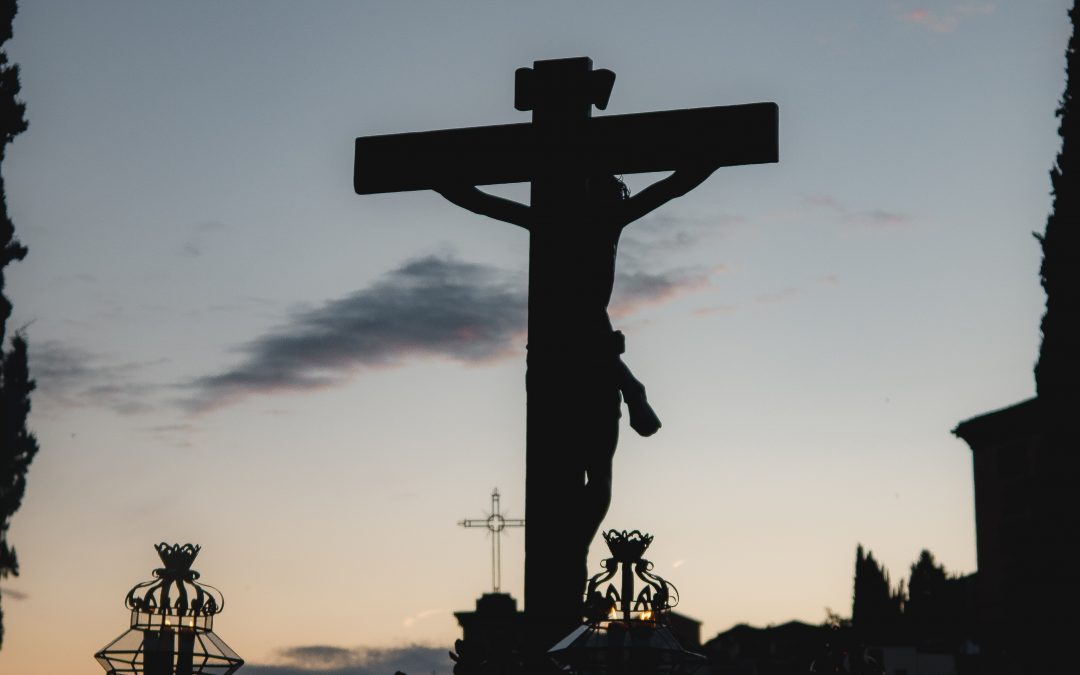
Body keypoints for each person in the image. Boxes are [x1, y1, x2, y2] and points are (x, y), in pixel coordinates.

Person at [435, 165, 718, 545]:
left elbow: (673, 186)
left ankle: (574, 552)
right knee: (576, 473)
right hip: (566, 357)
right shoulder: (578, 220)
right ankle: (570, 552)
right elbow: (478, 201)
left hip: (579, 355)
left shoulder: (594, 220)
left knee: (593, 472)